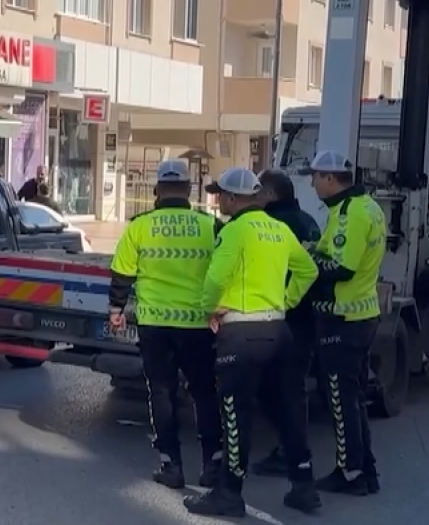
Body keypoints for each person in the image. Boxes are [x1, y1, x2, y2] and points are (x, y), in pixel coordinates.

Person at [183, 167, 321, 517]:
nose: (216, 201)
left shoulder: (235, 231)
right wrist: (286, 301)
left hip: (242, 333)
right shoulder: (279, 229)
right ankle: (303, 485)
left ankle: (229, 493)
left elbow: (215, 278)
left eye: (219, 195)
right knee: (286, 408)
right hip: (279, 330)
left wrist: (207, 311)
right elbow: (309, 270)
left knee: (235, 413)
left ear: (232, 198)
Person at [107, 160, 222, 490]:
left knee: (161, 391)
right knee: (203, 392)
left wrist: (117, 310)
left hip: (155, 324)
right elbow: (224, 270)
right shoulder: (209, 225)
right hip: (199, 325)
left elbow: (122, 274)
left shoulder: (140, 226)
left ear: (156, 191)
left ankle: (171, 464)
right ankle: (212, 462)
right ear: (189, 190)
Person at [307, 150, 386, 495]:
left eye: (315, 177)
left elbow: (341, 268)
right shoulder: (366, 206)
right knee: (352, 398)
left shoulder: (349, 214)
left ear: (329, 178)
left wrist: (305, 262)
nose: (311, 183)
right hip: (362, 314)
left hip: (343, 318)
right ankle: (365, 470)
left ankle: (350, 471)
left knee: (340, 400)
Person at [251, 168, 322, 478]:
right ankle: (292, 451)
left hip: (277, 316)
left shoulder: (272, 225)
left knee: (276, 388)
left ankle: (291, 454)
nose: (253, 197)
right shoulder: (308, 221)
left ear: (270, 195)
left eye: (257, 191)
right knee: (292, 387)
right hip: (305, 319)